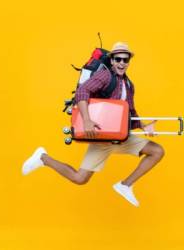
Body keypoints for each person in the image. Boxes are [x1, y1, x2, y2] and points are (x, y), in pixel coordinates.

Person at [22, 42, 165, 207]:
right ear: (112, 60)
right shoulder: (105, 76)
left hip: (121, 136)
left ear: (128, 62)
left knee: (157, 151)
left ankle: (125, 185)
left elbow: (130, 112)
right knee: (79, 179)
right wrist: (87, 120)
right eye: (118, 59)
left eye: (125, 60)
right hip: (101, 138)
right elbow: (82, 92)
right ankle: (43, 158)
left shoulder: (129, 84)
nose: (121, 63)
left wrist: (144, 126)